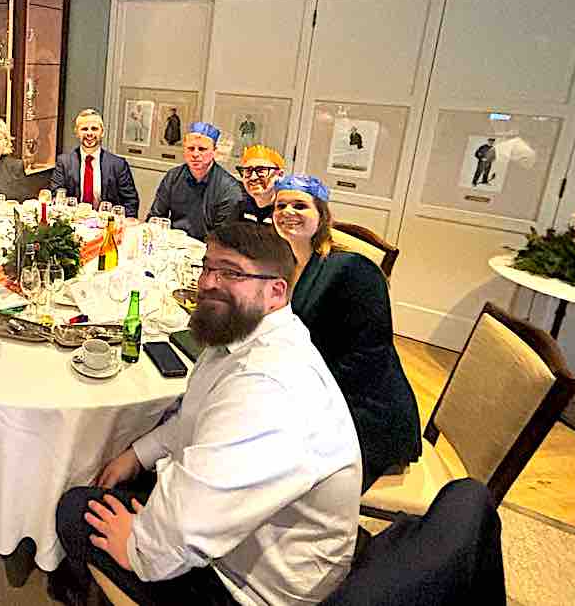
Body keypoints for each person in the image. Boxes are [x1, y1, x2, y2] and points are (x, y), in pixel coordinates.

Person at [52, 221, 361, 606]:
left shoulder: (269, 390)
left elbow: (186, 527)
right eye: (207, 267)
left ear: (276, 291)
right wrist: (138, 455)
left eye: (231, 273)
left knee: (75, 511)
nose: (208, 283)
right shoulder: (242, 334)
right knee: (111, 470)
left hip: (249, 588)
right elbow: (197, 419)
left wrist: (136, 547)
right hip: (232, 534)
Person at [272, 174, 422, 491]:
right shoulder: (288, 263)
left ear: (322, 216)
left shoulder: (353, 270)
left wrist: (295, 394)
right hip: (318, 391)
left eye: (300, 205)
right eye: (280, 205)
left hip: (364, 415)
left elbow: (367, 361)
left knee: (269, 466)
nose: (287, 212)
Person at [147, 122, 249, 241]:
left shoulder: (229, 188)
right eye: (190, 148)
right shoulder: (173, 176)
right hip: (172, 243)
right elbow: (155, 217)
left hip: (208, 247)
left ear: (214, 151)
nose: (195, 154)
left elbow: (223, 237)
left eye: (202, 149)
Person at [50, 109, 139, 214]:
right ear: (77, 133)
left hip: (106, 221)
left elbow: (131, 202)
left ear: (102, 132)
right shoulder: (64, 162)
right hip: (74, 220)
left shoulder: (118, 165)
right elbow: (56, 196)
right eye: (84, 129)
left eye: (94, 129)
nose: (89, 133)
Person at [234, 144, 285, 224]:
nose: (253, 177)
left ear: (280, 175)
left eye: (261, 170)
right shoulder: (237, 206)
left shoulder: (286, 211)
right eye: (248, 171)